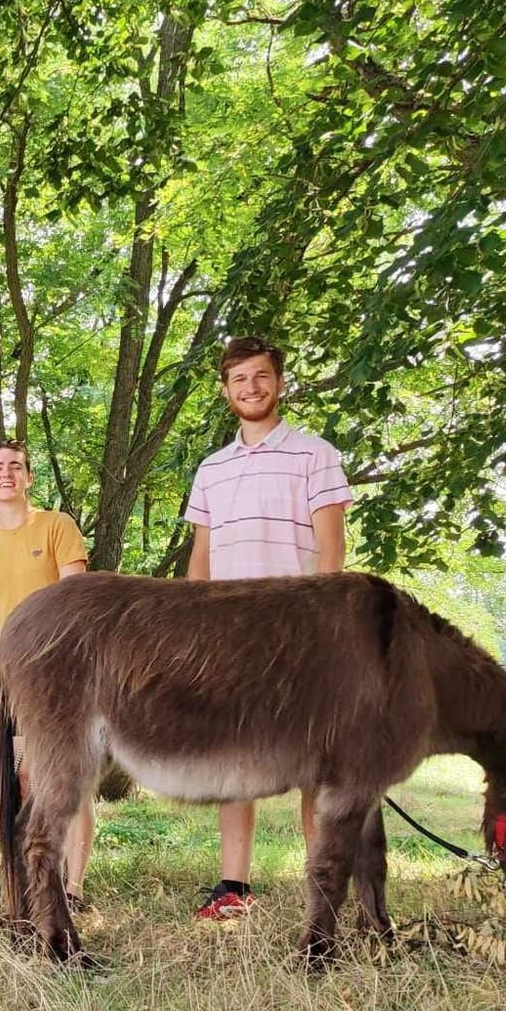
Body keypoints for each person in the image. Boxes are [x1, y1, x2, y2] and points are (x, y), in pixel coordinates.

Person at [184, 334, 353, 920]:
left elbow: (331, 551)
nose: (250, 388)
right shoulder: (212, 468)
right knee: (234, 762)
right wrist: (193, 628)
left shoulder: (315, 454)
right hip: (229, 638)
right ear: (225, 390)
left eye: (260, 377)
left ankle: (323, 887)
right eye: (238, 380)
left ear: (279, 383)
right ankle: (234, 887)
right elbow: (201, 557)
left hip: (298, 633)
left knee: (315, 764)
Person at [0, 439, 93, 896]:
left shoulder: (56, 526)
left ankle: (75, 887)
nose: (6, 473)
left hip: (63, 667)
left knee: (67, 772)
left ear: (28, 477)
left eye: (15, 466)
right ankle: (40, 876)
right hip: (16, 675)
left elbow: (76, 598)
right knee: (25, 775)